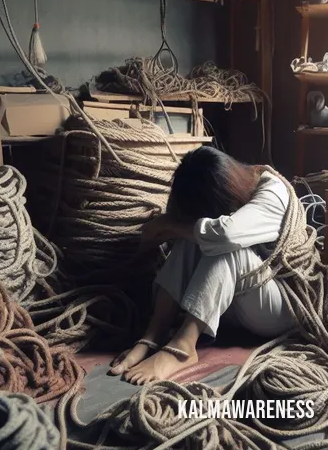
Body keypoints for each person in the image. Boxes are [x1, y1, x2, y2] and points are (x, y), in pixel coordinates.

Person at [110, 147, 295, 384]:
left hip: (278, 307)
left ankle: (183, 347)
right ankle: (154, 334)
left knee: (221, 243)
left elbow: (227, 235)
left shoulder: (274, 191)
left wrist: (170, 225)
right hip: (234, 304)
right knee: (194, 237)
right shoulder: (236, 193)